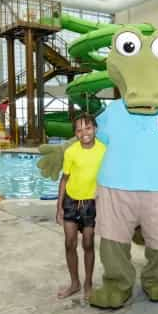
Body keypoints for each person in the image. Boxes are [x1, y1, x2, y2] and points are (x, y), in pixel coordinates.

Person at [55, 113, 106, 299]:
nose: (84, 132)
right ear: (75, 134)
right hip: (71, 201)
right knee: (69, 243)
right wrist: (59, 206)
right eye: (79, 129)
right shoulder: (71, 152)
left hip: (91, 204)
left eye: (88, 128)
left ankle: (88, 283)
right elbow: (64, 179)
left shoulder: (103, 150)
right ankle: (74, 283)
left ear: (95, 129)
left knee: (88, 244)